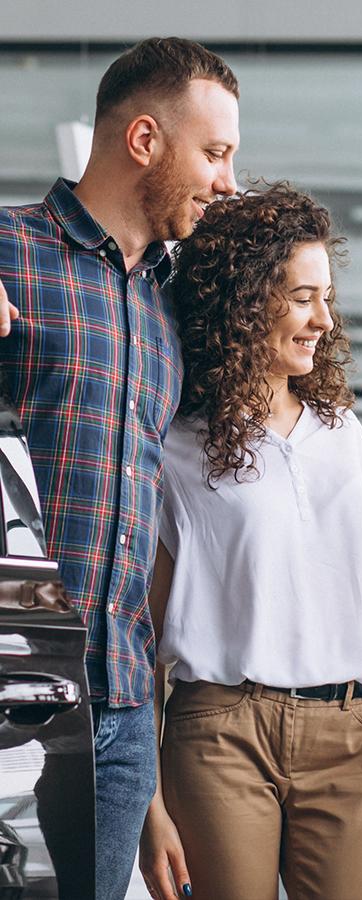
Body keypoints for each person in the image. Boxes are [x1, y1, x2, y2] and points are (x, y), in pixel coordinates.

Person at [137, 183, 362, 900]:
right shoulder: (176, 448)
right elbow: (146, 638)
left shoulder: (341, 436)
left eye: (327, 297)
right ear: (244, 302)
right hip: (222, 732)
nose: (324, 319)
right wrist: (150, 806)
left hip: (353, 729)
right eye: (304, 297)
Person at [0, 37, 240, 899]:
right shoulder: (9, 249)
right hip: (9, 685)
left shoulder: (178, 304)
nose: (228, 180)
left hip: (124, 705)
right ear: (144, 140)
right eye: (214, 154)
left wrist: (156, 805)